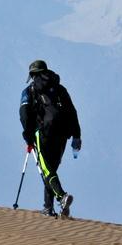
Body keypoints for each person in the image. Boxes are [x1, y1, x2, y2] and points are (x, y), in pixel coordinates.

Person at [20, 60, 81, 217]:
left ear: (33, 75)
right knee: (51, 170)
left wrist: (27, 134)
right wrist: (77, 135)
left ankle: (62, 197)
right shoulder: (60, 89)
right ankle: (49, 207)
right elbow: (72, 112)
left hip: (43, 133)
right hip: (63, 135)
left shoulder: (30, 91)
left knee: (46, 170)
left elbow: (25, 114)